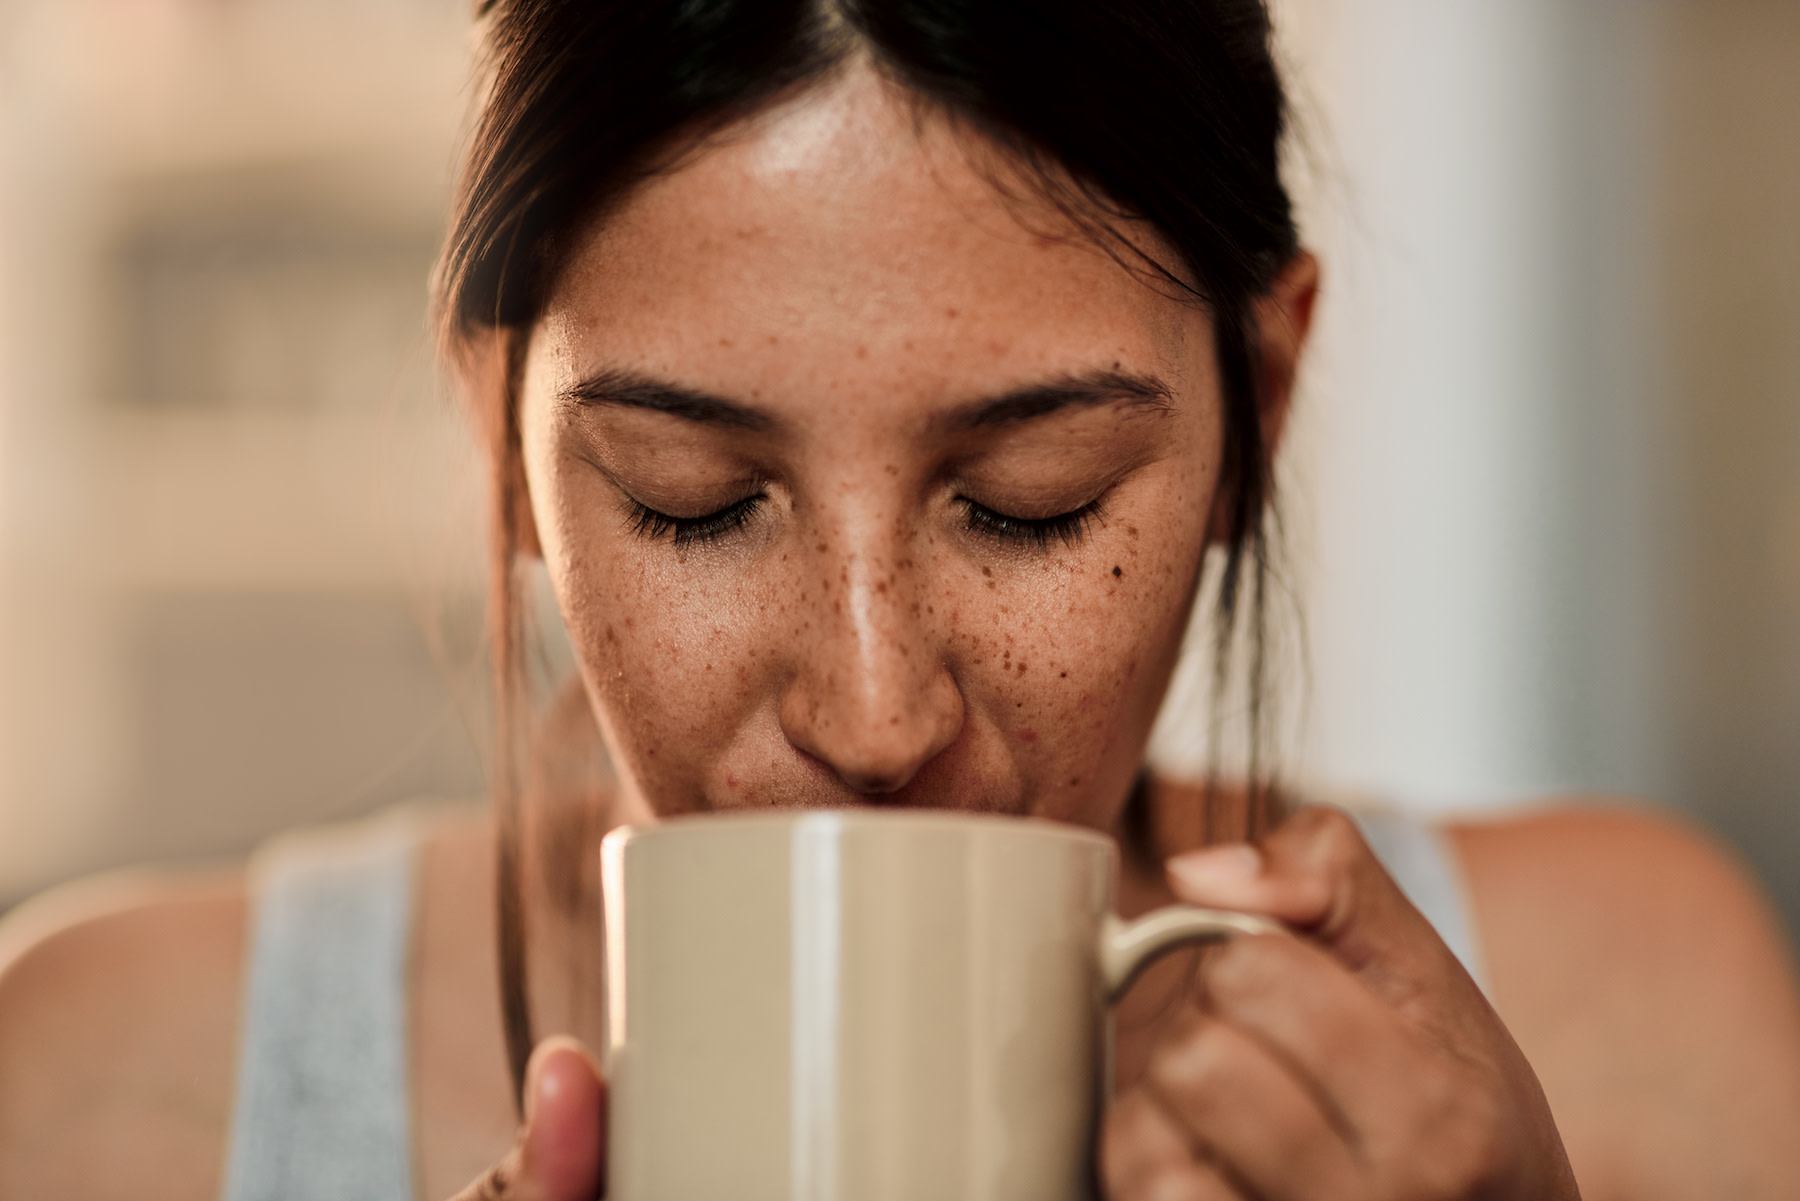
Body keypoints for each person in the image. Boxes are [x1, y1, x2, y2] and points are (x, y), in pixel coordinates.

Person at [3, 1, 1800, 1198]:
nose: (874, 714)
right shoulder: (101, 1093)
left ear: (1264, 412)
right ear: (507, 453)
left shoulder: (1624, 1020)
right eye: (694, 504)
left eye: (1034, 505)